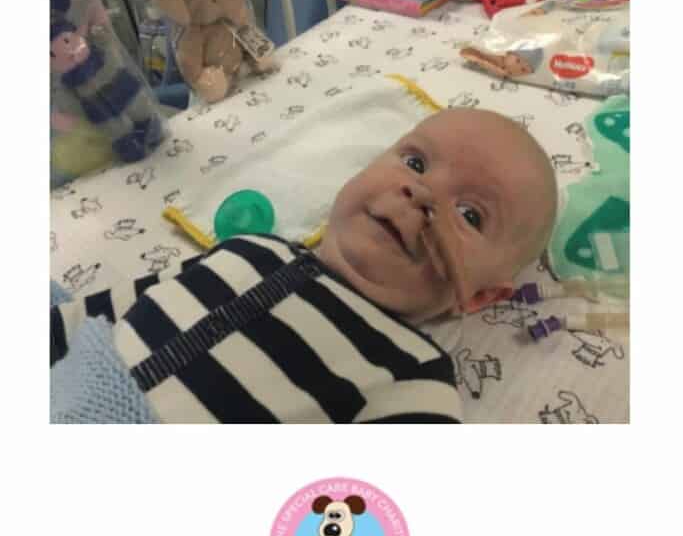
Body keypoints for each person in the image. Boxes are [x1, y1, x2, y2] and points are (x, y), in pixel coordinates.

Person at [50, 109, 557, 424]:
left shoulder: (411, 373)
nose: (422, 193)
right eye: (416, 163)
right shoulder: (249, 248)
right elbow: (102, 314)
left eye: (471, 214)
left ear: (479, 297)